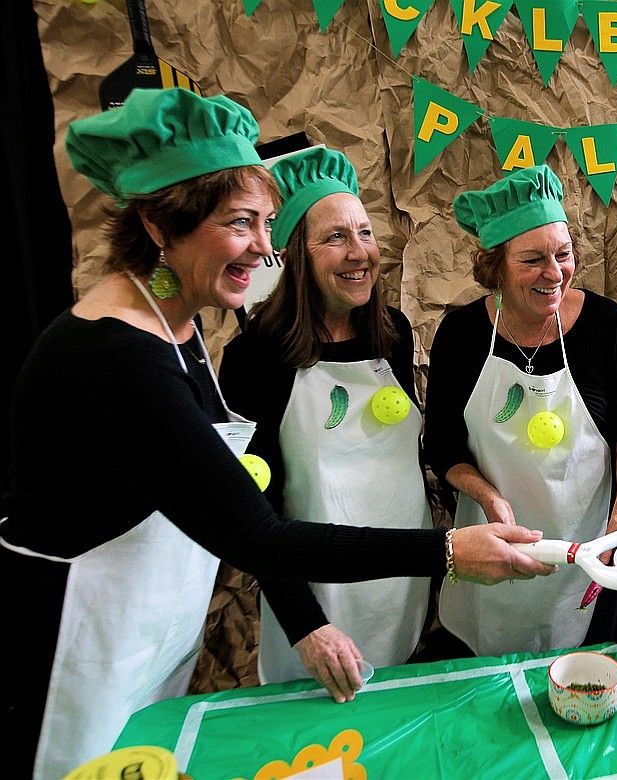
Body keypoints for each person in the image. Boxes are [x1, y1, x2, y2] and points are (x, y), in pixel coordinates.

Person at [0, 88, 552, 780]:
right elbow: (255, 530)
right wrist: (446, 549)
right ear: (158, 224)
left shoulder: (176, 327)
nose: (265, 249)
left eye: (266, 225)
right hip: (76, 653)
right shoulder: (114, 357)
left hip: (145, 640)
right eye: (242, 224)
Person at [219, 147, 431, 686]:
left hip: (401, 578)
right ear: (294, 253)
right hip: (316, 597)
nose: (359, 252)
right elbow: (251, 512)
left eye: (364, 232)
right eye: (335, 237)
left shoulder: (394, 332)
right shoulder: (256, 357)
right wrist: (305, 625)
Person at [424, 164, 617, 657]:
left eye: (564, 254)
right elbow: (442, 447)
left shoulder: (606, 326)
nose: (555, 274)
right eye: (532, 260)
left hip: (589, 557)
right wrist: (487, 495)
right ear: (496, 267)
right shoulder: (461, 336)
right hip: (492, 554)